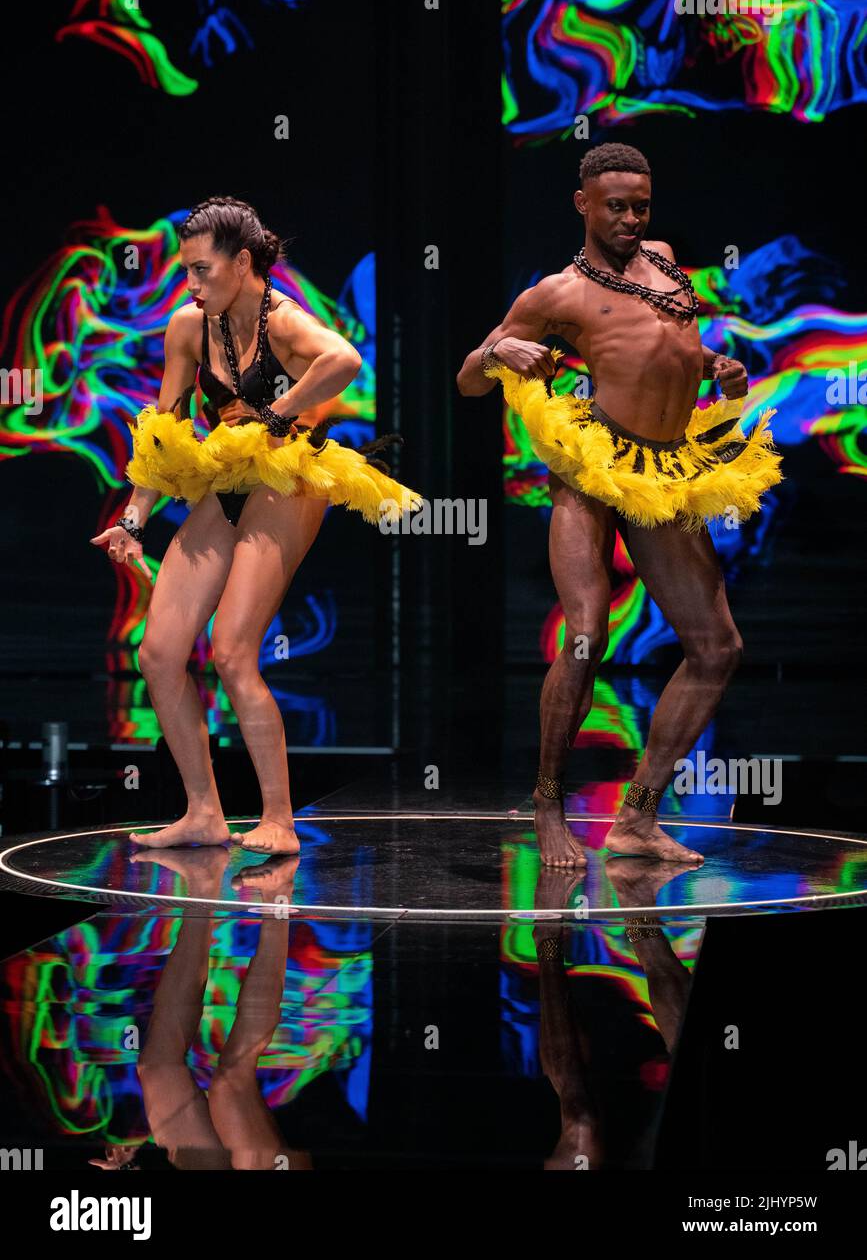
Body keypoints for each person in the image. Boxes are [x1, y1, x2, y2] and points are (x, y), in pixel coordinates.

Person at [457, 144, 782, 869]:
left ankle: (637, 818)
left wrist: (714, 366)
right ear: (582, 204)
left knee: (716, 646)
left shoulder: (666, 261)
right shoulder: (556, 294)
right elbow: (466, 380)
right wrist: (500, 352)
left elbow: (658, 349)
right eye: (616, 206)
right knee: (584, 635)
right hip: (591, 466)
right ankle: (547, 807)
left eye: (640, 204)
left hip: (664, 468)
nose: (631, 218)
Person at [91, 196, 421, 854]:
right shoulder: (188, 328)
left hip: (289, 479)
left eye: (203, 271)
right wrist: (132, 521)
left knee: (234, 651)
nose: (191, 285)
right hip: (228, 478)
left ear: (242, 263)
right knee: (157, 654)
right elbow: (162, 435)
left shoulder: (287, 322)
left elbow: (345, 361)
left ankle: (279, 819)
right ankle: (204, 812)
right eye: (185, 272)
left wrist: (279, 414)